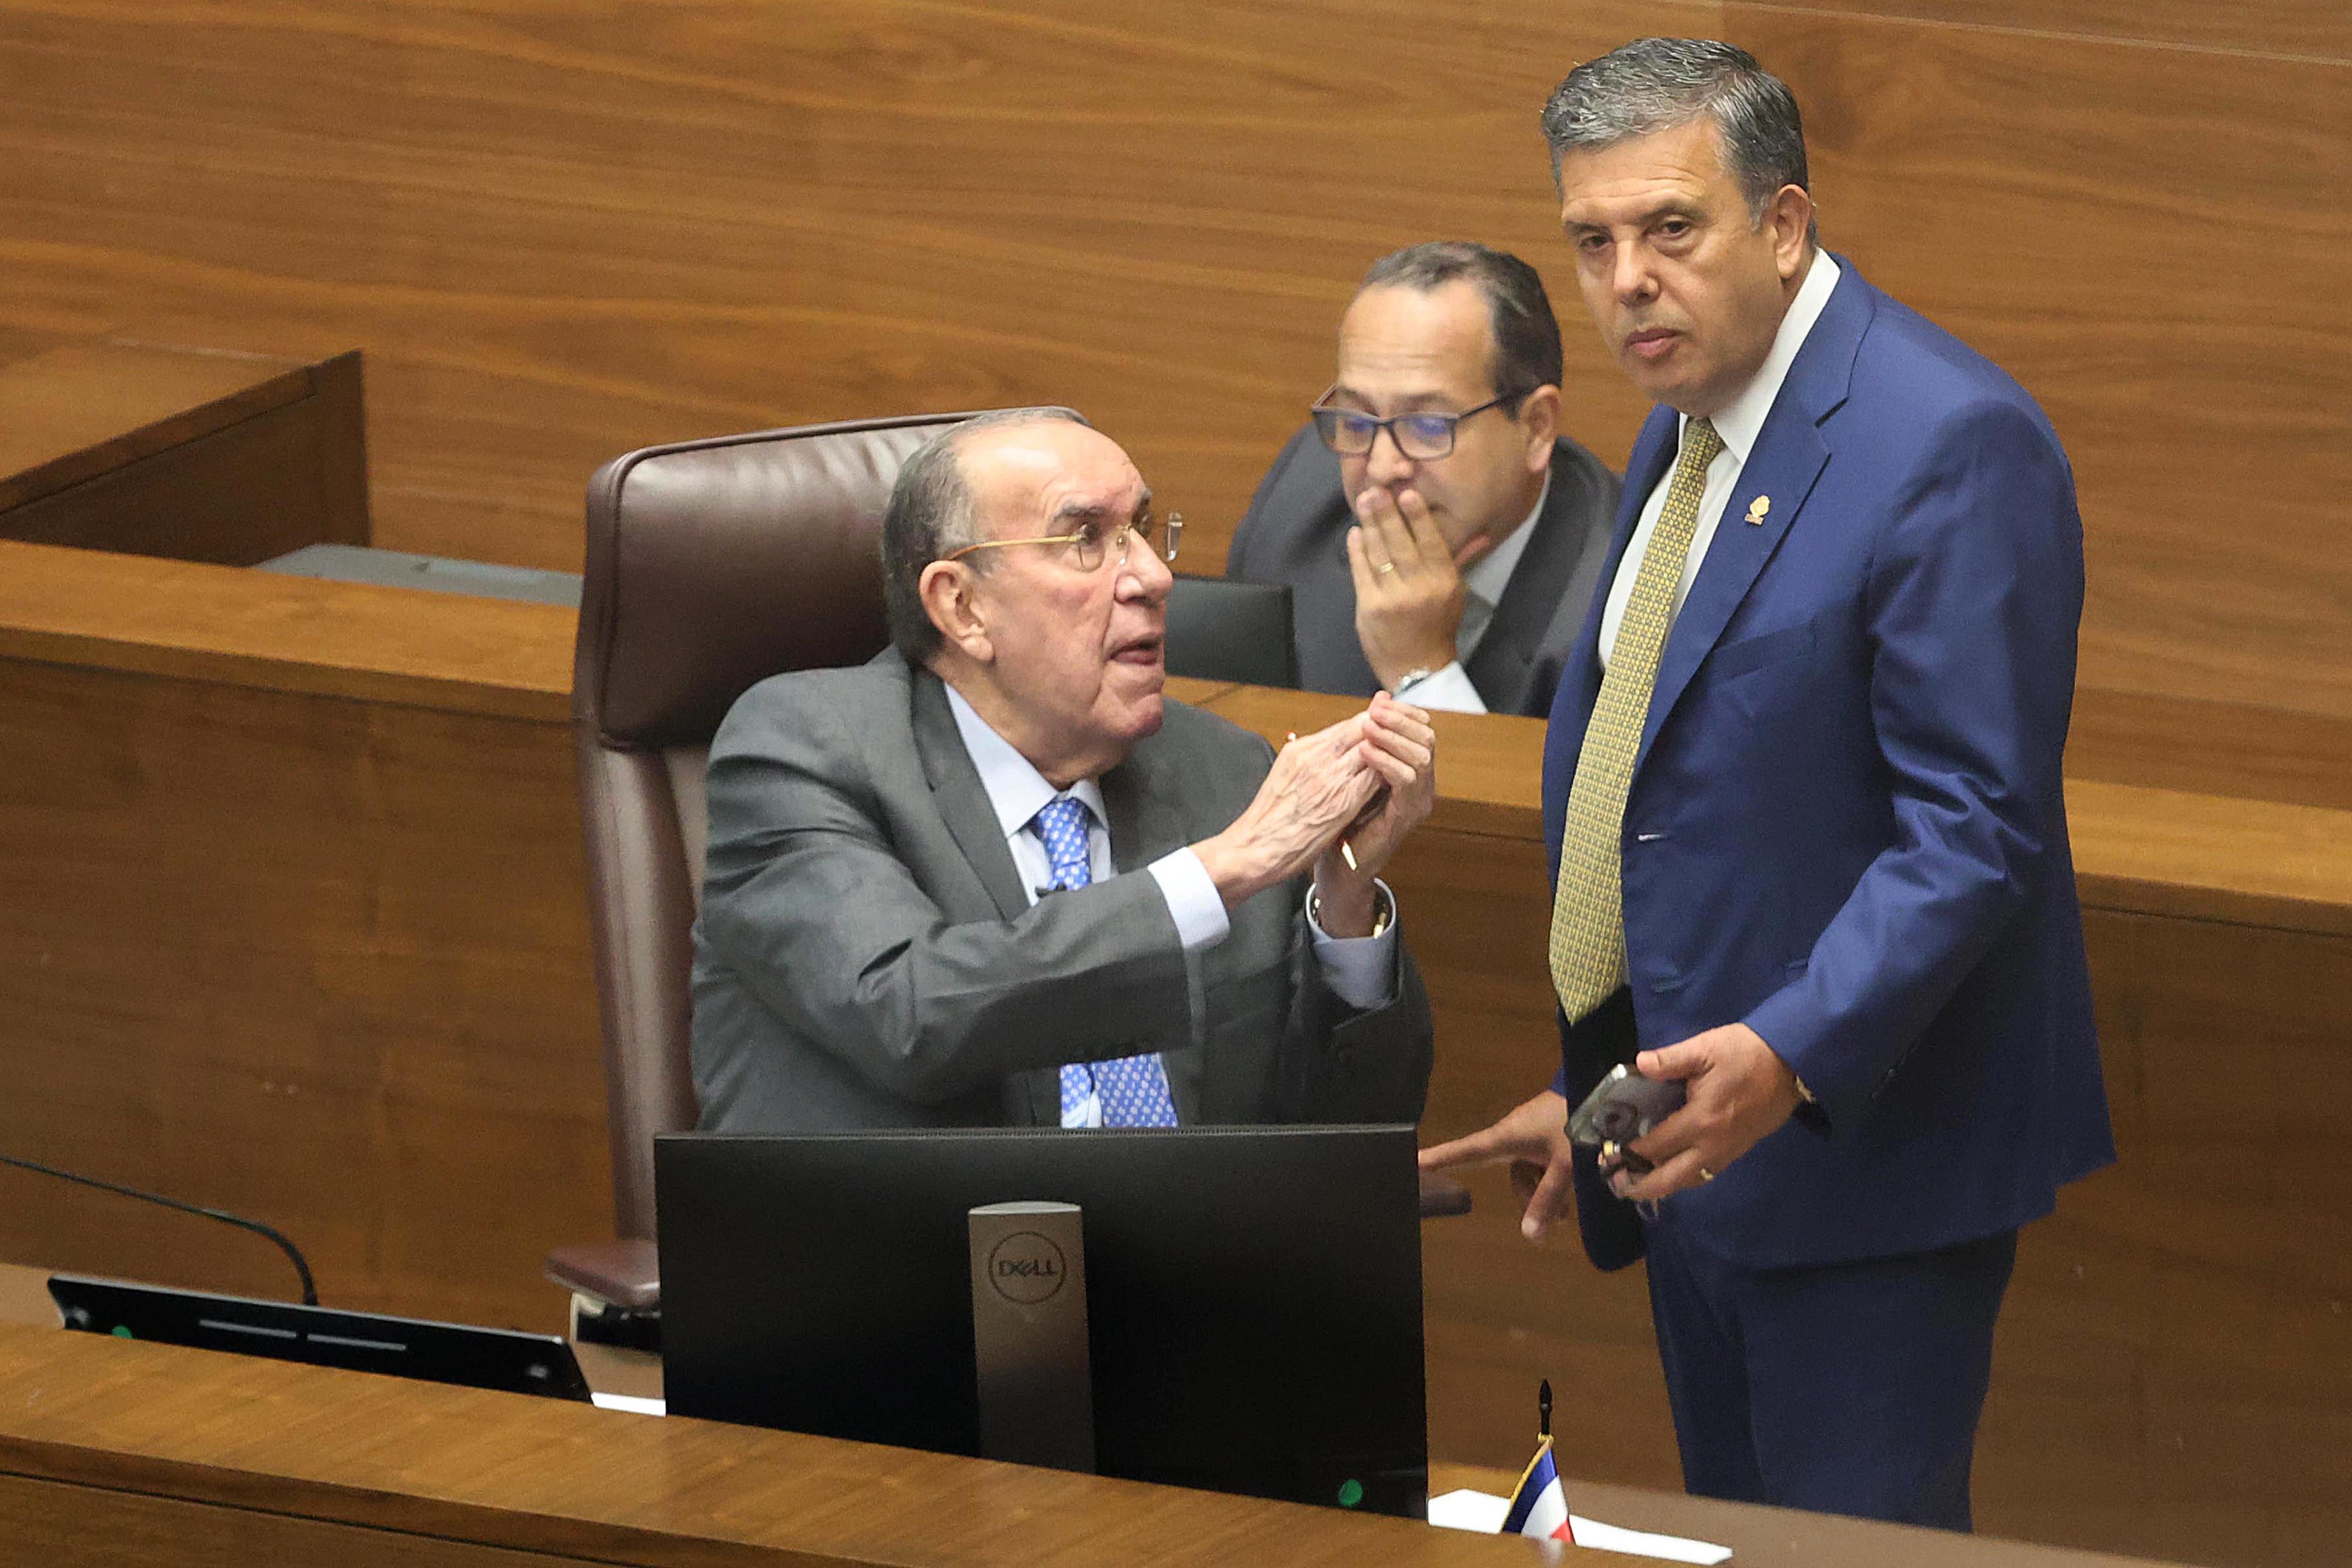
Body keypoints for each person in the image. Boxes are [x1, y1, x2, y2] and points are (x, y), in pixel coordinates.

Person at [1420, 39, 2113, 1529]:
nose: (1626, 282)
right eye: (1592, 241)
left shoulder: (1948, 442)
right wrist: (1602, 1081)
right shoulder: (1688, 421)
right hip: (1693, 1153)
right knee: (1734, 1543)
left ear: (1783, 224)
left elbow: (1973, 829)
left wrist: (1787, 1051)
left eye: (1670, 229)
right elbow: (1686, 793)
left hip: (1859, 1172)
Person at [692, 407, 1438, 1135]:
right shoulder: (804, 749)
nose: (1153, 577)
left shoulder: (1225, 769)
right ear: (962, 607)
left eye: (1141, 530)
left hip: (1188, 1223)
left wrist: (1344, 908)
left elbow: (1353, 1138)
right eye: (1085, 539)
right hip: (920, 1220)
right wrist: (1222, 871)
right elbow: (908, 1012)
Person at [1224, 242, 1620, 716]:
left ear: (1536, 428)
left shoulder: (1624, 600)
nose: (1380, 468)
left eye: (1427, 426)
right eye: (1357, 419)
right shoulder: (1299, 511)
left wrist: (1423, 671)